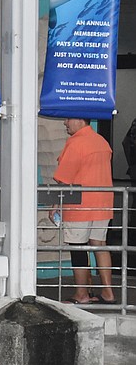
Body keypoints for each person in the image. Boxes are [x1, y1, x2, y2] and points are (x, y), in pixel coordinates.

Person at [50, 118, 115, 304]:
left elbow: (63, 178)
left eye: (68, 119)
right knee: (99, 246)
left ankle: (82, 294)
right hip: (103, 203)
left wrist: (56, 204)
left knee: (77, 248)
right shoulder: (101, 141)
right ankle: (108, 293)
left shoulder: (76, 143)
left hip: (80, 205)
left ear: (79, 120)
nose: (65, 123)